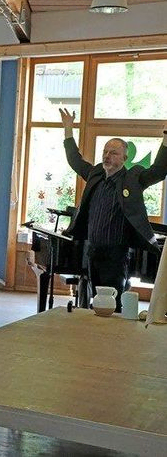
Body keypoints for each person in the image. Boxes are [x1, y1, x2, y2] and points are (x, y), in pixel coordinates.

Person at [60, 108, 167, 311]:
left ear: (124, 158)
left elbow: (159, 171)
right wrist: (68, 130)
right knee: (94, 303)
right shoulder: (96, 175)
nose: (107, 156)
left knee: (113, 306)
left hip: (116, 255)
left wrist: (166, 138)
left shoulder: (133, 179)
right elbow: (75, 160)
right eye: (105, 152)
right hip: (93, 251)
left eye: (114, 153)